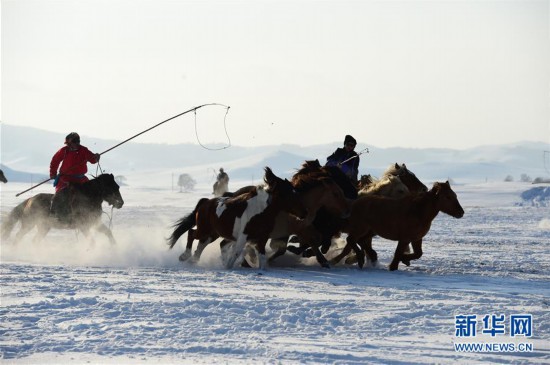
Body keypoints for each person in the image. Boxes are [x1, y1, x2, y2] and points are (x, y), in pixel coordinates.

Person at [49, 132, 100, 220]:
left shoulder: (84, 150)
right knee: (60, 195)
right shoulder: (64, 151)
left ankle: (91, 213)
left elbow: (92, 159)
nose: (73, 145)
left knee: (90, 194)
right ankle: (53, 214)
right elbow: (55, 161)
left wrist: (96, 157)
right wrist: (53, 173)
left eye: (76, 142)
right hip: (65, 179)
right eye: (71, 144)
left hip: (80, 180)